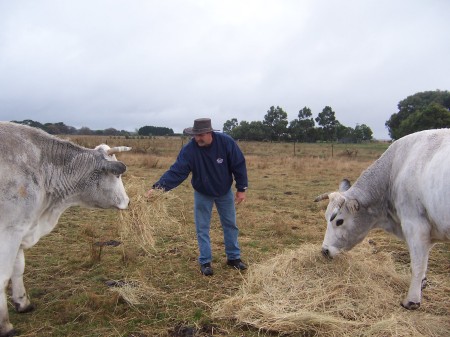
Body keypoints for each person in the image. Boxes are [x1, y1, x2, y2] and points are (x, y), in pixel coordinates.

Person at [146, 118, 248, 276]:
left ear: (210, 133)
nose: (197, 138)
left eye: (201, 135)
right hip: (202, 192)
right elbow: (177, 171)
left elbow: (238, 164)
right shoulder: (190, 150)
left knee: (230, 224)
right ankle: (205, 262)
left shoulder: (226, 143)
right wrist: (158, 188)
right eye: (195, 135)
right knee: (202, 228)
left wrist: (241, 188)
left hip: (224, 191)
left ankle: (234, 258)